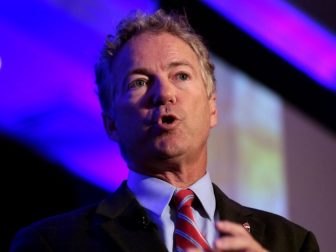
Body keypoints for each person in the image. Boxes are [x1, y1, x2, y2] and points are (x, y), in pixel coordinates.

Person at [10, 9, 319, 252]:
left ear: (212, 108)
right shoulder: (51, 244)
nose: (164, 93)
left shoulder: (290, 243)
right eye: (139, 82)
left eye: (181, 75)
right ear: (111, 123)